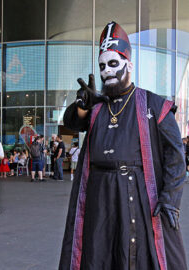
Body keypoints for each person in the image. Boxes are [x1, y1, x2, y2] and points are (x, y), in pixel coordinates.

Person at [59, 21, 187, 270]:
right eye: (102, 65)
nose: (107, 70)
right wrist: (82, 105)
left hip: (138, 193)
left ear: (129, 64)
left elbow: (175, 155)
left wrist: (170, 198)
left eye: (113, 63)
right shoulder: (96, 107)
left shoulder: (154, 105)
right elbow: (72, 122)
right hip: (99, 195)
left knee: (138, 254)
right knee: (100, 253)